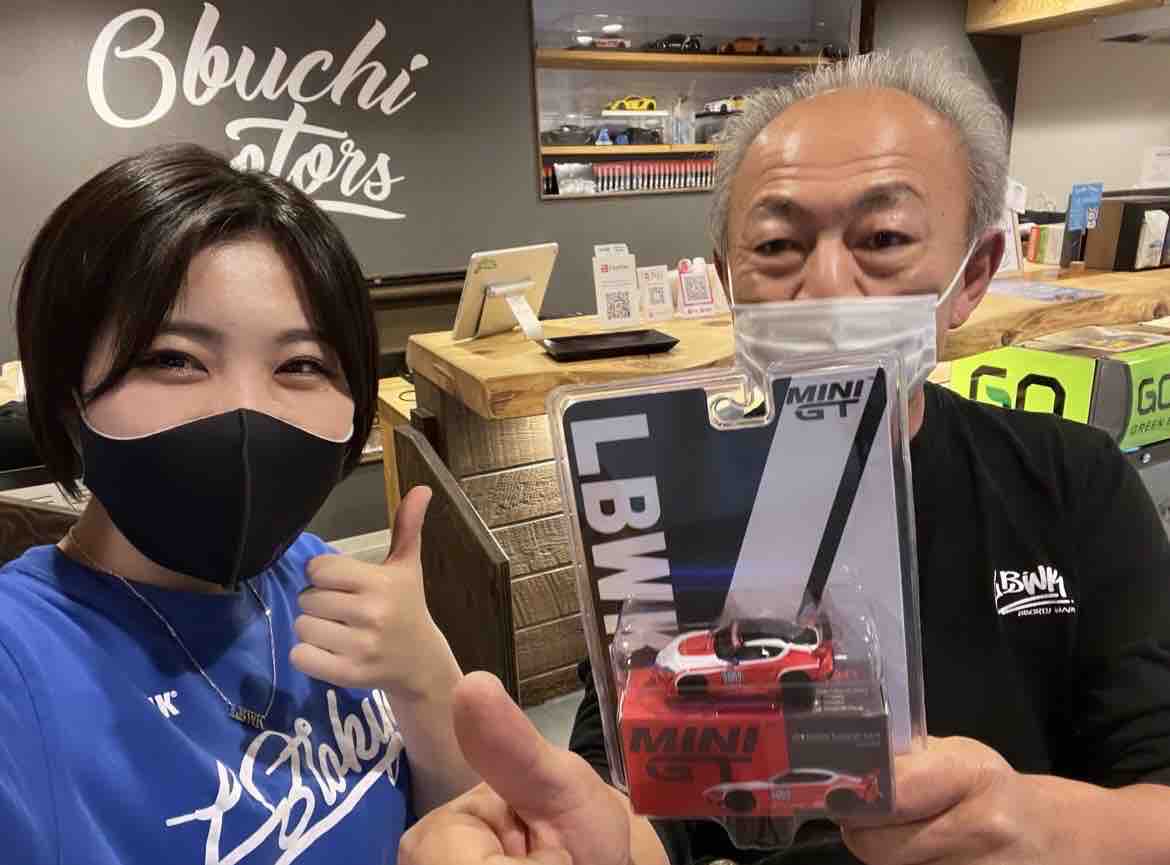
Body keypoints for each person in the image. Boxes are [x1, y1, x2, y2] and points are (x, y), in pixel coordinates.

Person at [399, 52, 1170, 865]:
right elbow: (636, 797)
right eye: (777, 245)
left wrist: (1043, 827)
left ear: (972, 274)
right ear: (729, 282)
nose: (827, 283)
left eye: (883, 238)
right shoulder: (668, 498)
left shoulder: (1074, 483)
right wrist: (593, 843)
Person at [0, 143, 478, 864]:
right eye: (173, 358)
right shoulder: (19, 669)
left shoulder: (325, 584)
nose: (246, 413)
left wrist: (428, 680)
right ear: (69, 393)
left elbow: (464, 826)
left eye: (301, 364)